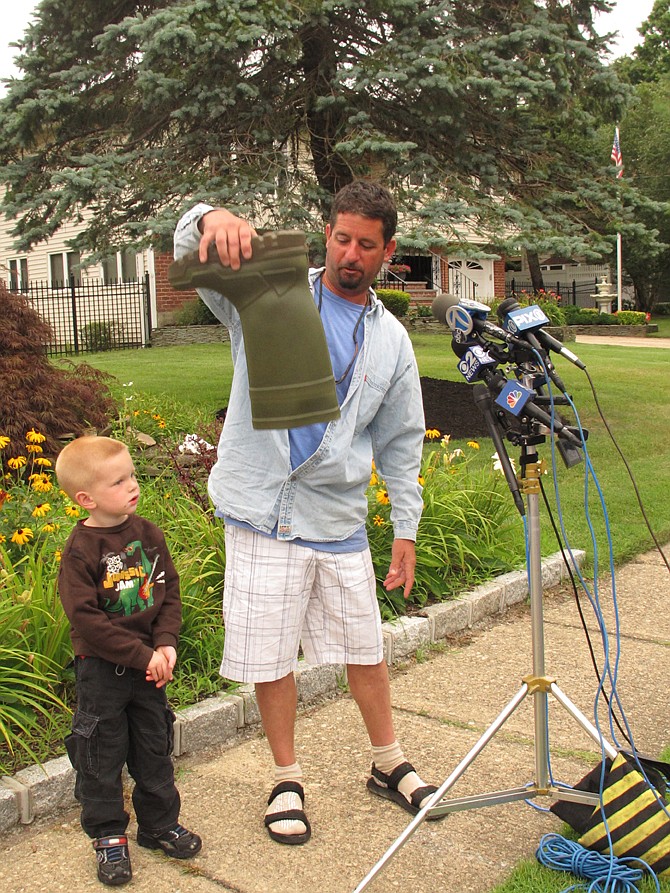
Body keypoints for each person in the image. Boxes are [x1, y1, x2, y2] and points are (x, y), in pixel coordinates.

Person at [173, 180, 440, 845]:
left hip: (337, 516)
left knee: (364, 647)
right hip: (264, 509)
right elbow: (187, 251)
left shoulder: (393, 342)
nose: (351, 253)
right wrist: (214, 215)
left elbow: (403, 441)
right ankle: (285, 776)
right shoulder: (268, 291)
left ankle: (389, 762)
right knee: (271, 655)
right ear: (328, 233)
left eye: (367, 244)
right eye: (342, 237)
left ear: (390, 250)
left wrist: (405, 526)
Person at [55, 436, 201, 886]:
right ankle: (108, 837)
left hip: (151, 669)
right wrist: (143, 655)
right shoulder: (82, 550)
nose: (133, 485)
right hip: (103, 673)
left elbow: (167, 593)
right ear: (87, 498)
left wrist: (167, 643)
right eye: (119, 481)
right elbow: (87, 621)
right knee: (100, 755)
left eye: (132, 475)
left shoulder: (148, 534)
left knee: (154, 747)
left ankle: (158, 825)